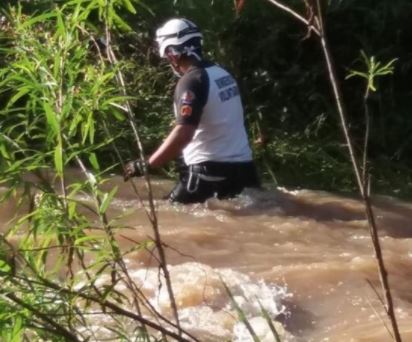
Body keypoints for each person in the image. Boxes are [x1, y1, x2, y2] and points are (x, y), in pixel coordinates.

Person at [124, 18, 260, 204]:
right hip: (246, 172)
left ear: (172, 53)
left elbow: (184, 133)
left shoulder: (192, 81)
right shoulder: (222, 74)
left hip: (208, 176)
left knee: (167, 217)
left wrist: (147, 164)